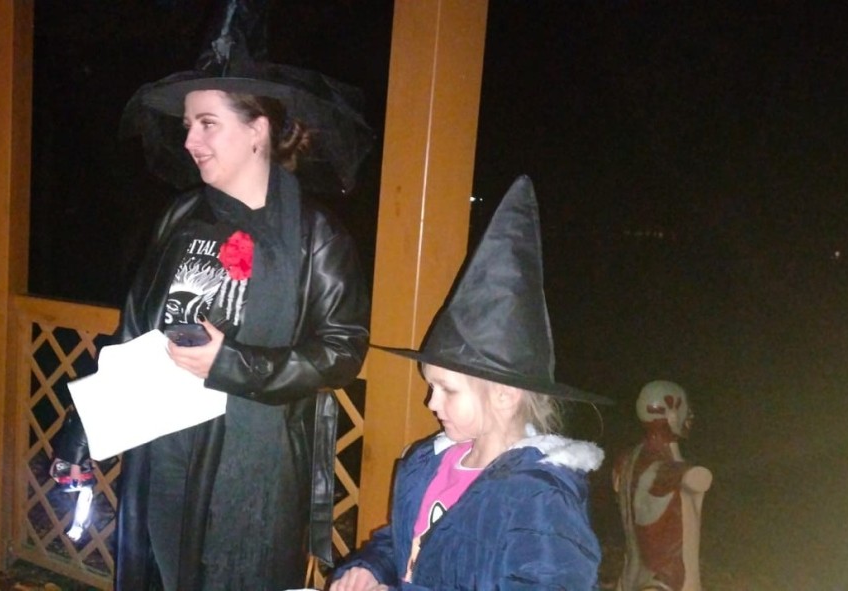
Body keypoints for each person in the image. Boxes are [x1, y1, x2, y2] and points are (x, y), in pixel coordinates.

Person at [50, 7, 373, 590]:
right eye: (187, 125)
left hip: (253, 470)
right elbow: (133, 331)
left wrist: (232, 364)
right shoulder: (179, 217)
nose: (189, 141)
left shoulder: (314, 236)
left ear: (257, 130)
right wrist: (81, 431)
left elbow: (342, 351)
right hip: (163, 456)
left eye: (206, 124)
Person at [330, 176, 612, 590]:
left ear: (504, 395)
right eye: (432, 387)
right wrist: (371, 568)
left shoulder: (540, 498)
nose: (431, 403)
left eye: (448, 389)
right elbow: (410, 544)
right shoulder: (431, 463)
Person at [613, 380, 712, 591]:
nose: (690, 416)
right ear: (671, 414)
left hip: (629, 579)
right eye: (686, 409)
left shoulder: (625, 461)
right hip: (664, 582)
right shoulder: (678, 473)